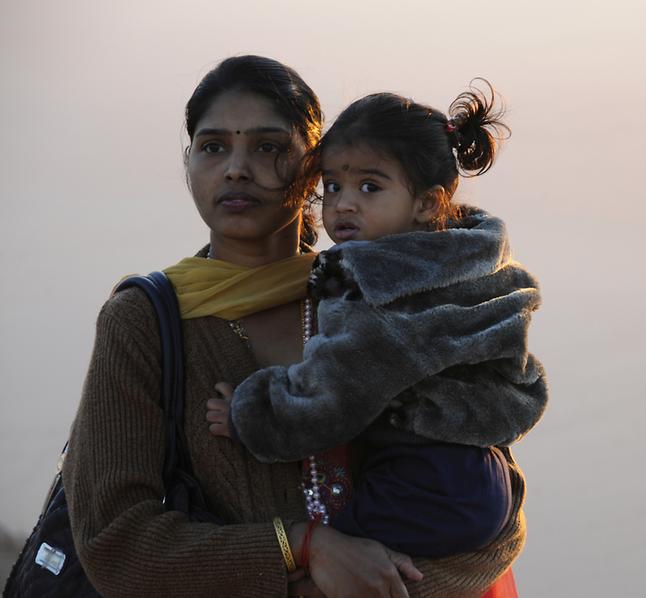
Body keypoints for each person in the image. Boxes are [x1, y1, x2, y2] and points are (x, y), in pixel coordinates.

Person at [62, 55, 524, 598]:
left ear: (313, 166)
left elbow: (495, 509)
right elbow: (116, 542)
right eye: (213, 147)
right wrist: (302, 549)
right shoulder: (146, 321)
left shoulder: (375, 293)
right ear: (188, 163)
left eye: (268, 147)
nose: (237, 168)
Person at [204, 85, 547, 573]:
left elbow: (335, 393)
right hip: (481, 472)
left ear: (428, 204)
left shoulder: (384, 287)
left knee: (329, 563)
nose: (343, 205)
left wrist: (250, 413)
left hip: (424, 481)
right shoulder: (466, 258)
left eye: (370, 187)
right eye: (333, 188)